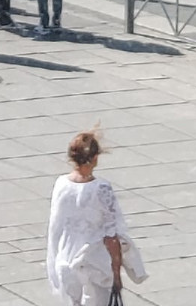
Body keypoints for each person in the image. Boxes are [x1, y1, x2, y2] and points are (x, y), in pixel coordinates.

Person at [47, 131, 146, 306]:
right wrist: (116, 274)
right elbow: (111, 235)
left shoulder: (61, 184)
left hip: (66, 261)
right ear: (94, 158)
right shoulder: (101, 189)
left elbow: (56, 226)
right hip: (95, 264)